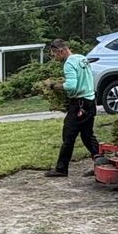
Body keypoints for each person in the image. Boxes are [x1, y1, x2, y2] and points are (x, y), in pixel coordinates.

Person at [46, 39, 98, 177]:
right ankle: (101, 164)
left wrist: (54, 86)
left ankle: (61, 169)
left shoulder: (68, 63)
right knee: (87, 135)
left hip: (79, 104)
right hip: (90, 101)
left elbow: (71, 86)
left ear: (61, 51)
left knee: (68, 135)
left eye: (55, 55)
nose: (55, 58)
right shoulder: (81, 58)